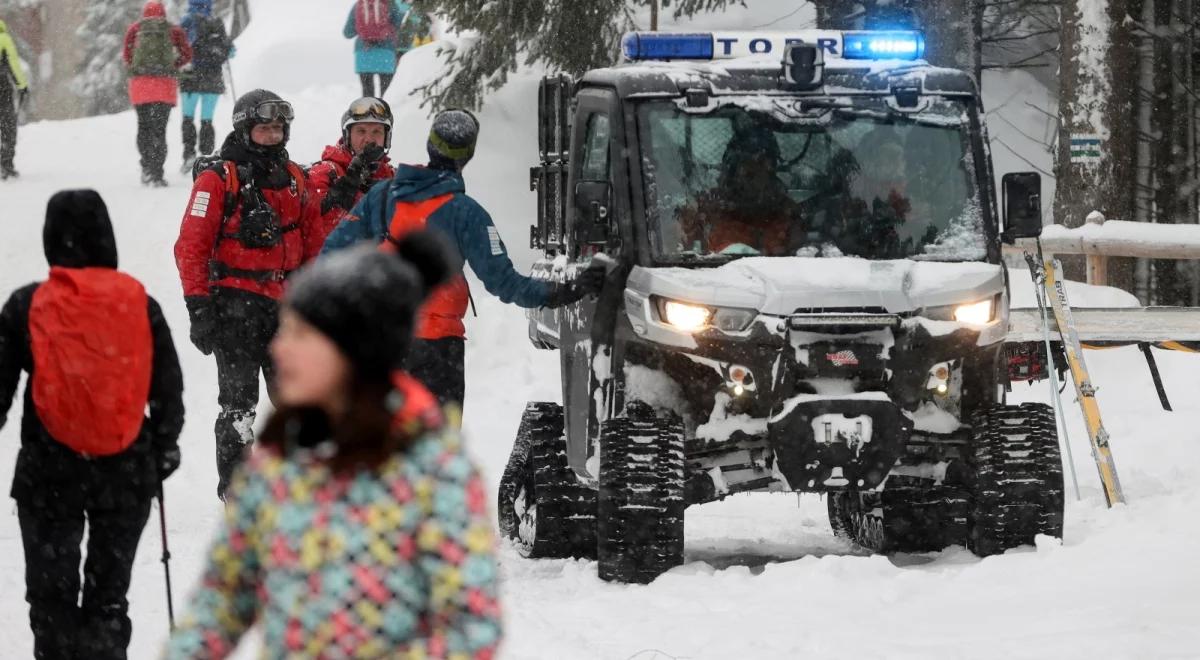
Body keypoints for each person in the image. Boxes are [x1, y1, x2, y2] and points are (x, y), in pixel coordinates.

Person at [164, 232, 502, 659]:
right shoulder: (279, 459)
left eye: (300, 335)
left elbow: (470, 626)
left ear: (350, 353)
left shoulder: (432, 468)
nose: (281, 347)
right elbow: (224, 597)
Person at [0, 190, 185, 659]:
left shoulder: (28, 304)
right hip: (125, 473)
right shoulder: (140, 303)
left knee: (51, 598)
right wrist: (163, 448)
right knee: (107, 597)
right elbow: (167, 389)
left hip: (48, 473)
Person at [323, 109, 605, 409]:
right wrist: (566, 290)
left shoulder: (381, 195)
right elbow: (505, 284)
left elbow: (331, 256)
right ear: (467, 155)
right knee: (437, 450)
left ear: (430, 145)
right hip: (437, 351)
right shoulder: (467, 214)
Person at [175, 88, 323, 499]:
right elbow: (190, 246)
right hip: (235, 308)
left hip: (287, 308)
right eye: (265, 129)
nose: (274, 136)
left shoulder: (296, 178)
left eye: (279, 128)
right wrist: (198, 306)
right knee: (239, 409)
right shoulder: (218, 178)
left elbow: (313, 243)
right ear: (245, 130)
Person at [679, 129, 803, 256]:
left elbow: (803, 260)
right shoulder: (708, 206)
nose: (757, 171)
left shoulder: (787, 214)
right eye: (746, 165)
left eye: (764, 164)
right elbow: (679, 255)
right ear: (732, 168)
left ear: (772, 169)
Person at [306, 96, 397, 250]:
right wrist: (348, 184)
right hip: (338, 268)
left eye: (377, 132)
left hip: (381, 268)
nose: (369, 139)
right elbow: (315, 226)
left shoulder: (392, 176)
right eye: (361, 131)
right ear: (347, 135)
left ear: (386, 137)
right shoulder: (326, 172)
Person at [123, 1, 192, 186]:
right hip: (164, 87)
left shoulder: (135, 29)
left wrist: (141, 70)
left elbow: (127, 57)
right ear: (163, 13)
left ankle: (146, 167)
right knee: (159, 131)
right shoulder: (173, 31)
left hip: (140, 88)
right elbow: (187, 54)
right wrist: (172, 66)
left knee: (143, 127)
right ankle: (157, 173)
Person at [178, 0, 234, 171]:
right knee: (207, 120)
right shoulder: (216, 22)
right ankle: (207, 157)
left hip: (191, 77)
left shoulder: (187, 21)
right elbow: (230, 51)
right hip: (213, 79)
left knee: (188, 118)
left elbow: (180, 48)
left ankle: (189, 155)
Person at [344, 0, 411, 97]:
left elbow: (347, 33)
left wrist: (363, 29)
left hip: (364, 53)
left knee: (368, 94)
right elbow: (398, 25)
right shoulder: (390, 3)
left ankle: (369, 111)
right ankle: (385, 111)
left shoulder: (358, 5)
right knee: (386, 95)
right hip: (386, 53)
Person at [0, 18, 30, 180]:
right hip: (2, 87)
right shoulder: (4, 39)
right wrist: (22, 85)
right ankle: (6, 164)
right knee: (7, 125)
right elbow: (13, 64)